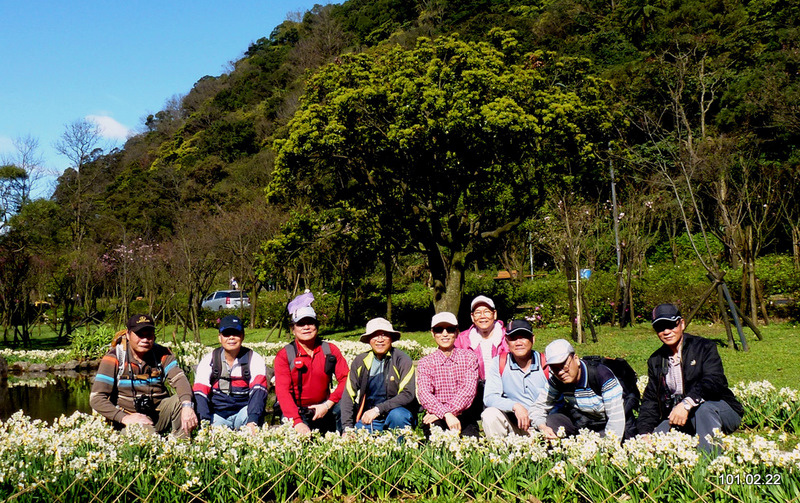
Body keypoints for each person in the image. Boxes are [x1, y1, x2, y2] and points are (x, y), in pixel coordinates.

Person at [637, 303, 743, 452]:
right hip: (682, 418)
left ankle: (709, 466)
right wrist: (644, 433)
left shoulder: (704, 347)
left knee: (704, 411)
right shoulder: (656, 360)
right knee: (654, 440)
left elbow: (714, 381)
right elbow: (651, 400)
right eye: (660, 328)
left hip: (718, 409)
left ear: (682, 324)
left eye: (671, 325)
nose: (666, 331)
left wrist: (687, 403)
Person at [90, 314, 197, 437]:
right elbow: (96, 398)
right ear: (128, 335)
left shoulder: (162, 354)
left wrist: (187, 406)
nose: (145, 340)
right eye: (140, 335)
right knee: (148, 438)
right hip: (129, 418)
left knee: (182, 400)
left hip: (158, 412)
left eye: (149, 335)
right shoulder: (114, 357)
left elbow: (180, 379)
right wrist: (124, 418)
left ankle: (181, 447)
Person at [273, 305, 349, 434]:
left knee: (347, 406)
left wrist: (328, 404)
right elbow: (283, 392)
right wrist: (297, 422)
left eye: (310, 323)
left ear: (317, 327)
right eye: (301, 324)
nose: (306, 327)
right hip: (297, 411)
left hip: (325, 406)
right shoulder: (284, 355)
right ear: (293, 329)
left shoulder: (330, 350)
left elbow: (347, 379)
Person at [530, 339, 625, 440]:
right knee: (551, 422)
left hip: (606, 424)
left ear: (576, 359)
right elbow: (537, 408)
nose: (561, 372)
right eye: (555, 368)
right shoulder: (557, 380)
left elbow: (616, 420)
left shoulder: (602, 376)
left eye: (564, 365)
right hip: (582, 423)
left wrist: (606, 448)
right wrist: (542, 427)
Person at [192, 315, 269, 433]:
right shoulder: (210, 359)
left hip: (244, 412)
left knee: (251, 434)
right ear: (219, 337)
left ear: (242, 336)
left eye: (236, 333)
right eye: (226, 334)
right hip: (217, 415)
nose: (231, 337)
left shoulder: (254, 358)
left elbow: (258, 391)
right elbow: (200, 392)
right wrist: (205, 423)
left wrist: (252, 420)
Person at [340, 317, 417, 432]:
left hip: (397, 412)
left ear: (391, 338)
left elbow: (407, 394)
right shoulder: (360, 361)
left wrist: (378, 410)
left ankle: (400, 447)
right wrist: (347, 428)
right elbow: (348, 395)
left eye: (385, 335)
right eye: (375, 335)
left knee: (398, 416)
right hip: (370, 416)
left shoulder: (402, 360)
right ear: (369, 339)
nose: (380, 339)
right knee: (357, 436)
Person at [416, 312, 480, 438]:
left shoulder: (469, 358)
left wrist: (447, 412)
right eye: (439, 330)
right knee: (437, 445)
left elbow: (468, 391)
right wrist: (445, 414)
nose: (445, 334)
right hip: (434, 415)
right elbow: (424, 393)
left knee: (469, 447)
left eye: (450, 330)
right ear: (433, 333)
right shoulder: (426, 362)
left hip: (462, 413)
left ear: (457, 333)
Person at [482, 319, 549, 438]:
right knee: (490, 414)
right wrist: (515, 406)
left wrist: (539, 422)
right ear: (507, 342)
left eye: (523, 337)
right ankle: (500, 453)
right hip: (515, 424)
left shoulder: (547, 363)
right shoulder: (499, 363)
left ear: (532, 339)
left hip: (544, 424)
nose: (518, 343)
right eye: (513, 338)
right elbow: (489, 397)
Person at [454, 296, 508, 421]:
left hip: (502, 386)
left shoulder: (507, 337)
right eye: (478, 313)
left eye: (487, 312)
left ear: (494, 314)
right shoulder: (462, 339)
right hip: (473, 388)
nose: (482, 316)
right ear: (472, 317)